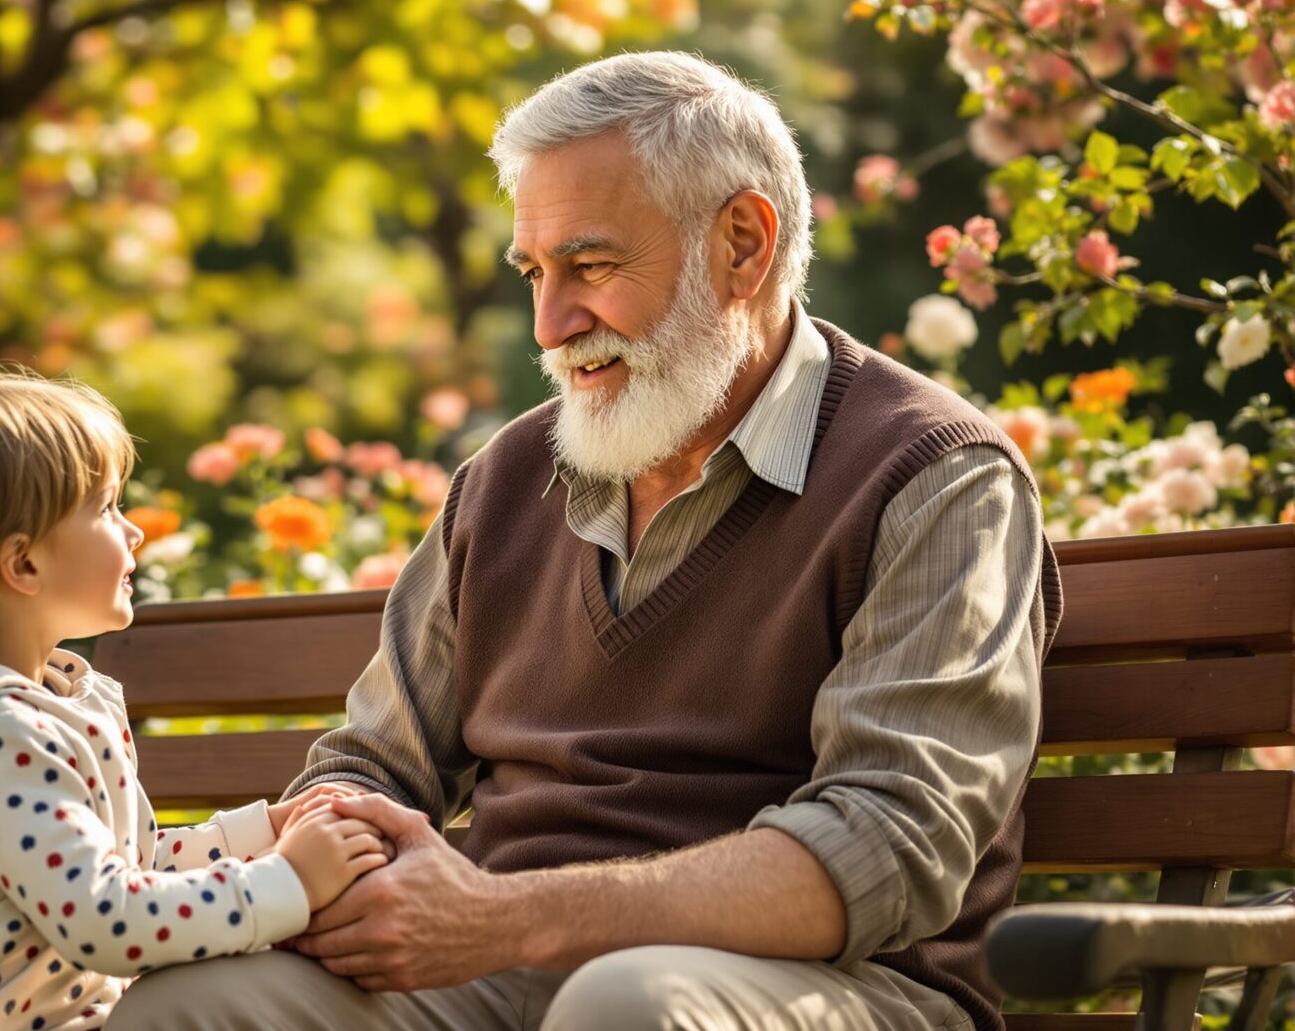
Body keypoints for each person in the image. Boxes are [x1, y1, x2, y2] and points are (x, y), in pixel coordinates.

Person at [109, 51, 1060, 1031]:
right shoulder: (507, 477)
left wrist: (508, 918)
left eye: (591, 267)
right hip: (501, 972)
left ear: (743, 245)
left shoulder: (936, 477)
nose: (551, 324)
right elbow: (374, 764)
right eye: (535, 272)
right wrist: (336, 840)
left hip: (834, 987)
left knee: (624, 1006)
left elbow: (892, 844)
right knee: (191, 1006)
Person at [0, 362, 387, 1031]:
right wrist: (290, 883)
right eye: (107, 508)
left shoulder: (20, 709)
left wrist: (263, 833)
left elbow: (123, 866)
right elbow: (108, 917)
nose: (134, 532)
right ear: (23, 564)